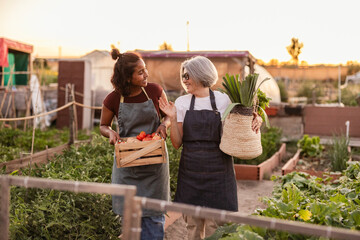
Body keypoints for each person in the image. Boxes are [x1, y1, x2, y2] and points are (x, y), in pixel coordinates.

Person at [159, 56, 262, 240]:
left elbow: (245, 118)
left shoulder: (224, 101)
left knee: (217, 228)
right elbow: (176, 143)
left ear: (201, 74)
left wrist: (256, 118)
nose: (184, 80)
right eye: (183, 76)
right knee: (193, 226)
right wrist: (173, 119)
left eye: (188, 75)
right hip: (191, 171)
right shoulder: (182, 103)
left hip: (219, 171)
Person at [100, 48, 171, 240]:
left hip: (154, 164)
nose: (146, 74)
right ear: (127, 78)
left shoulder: (154, 91)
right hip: (127, 162)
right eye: (140, 72)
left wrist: (164, 125)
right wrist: (111, 133)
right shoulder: (113, 99)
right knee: (131, 219)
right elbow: (103, 125)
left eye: (145, 69)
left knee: (154, 218)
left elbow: (168, 117)